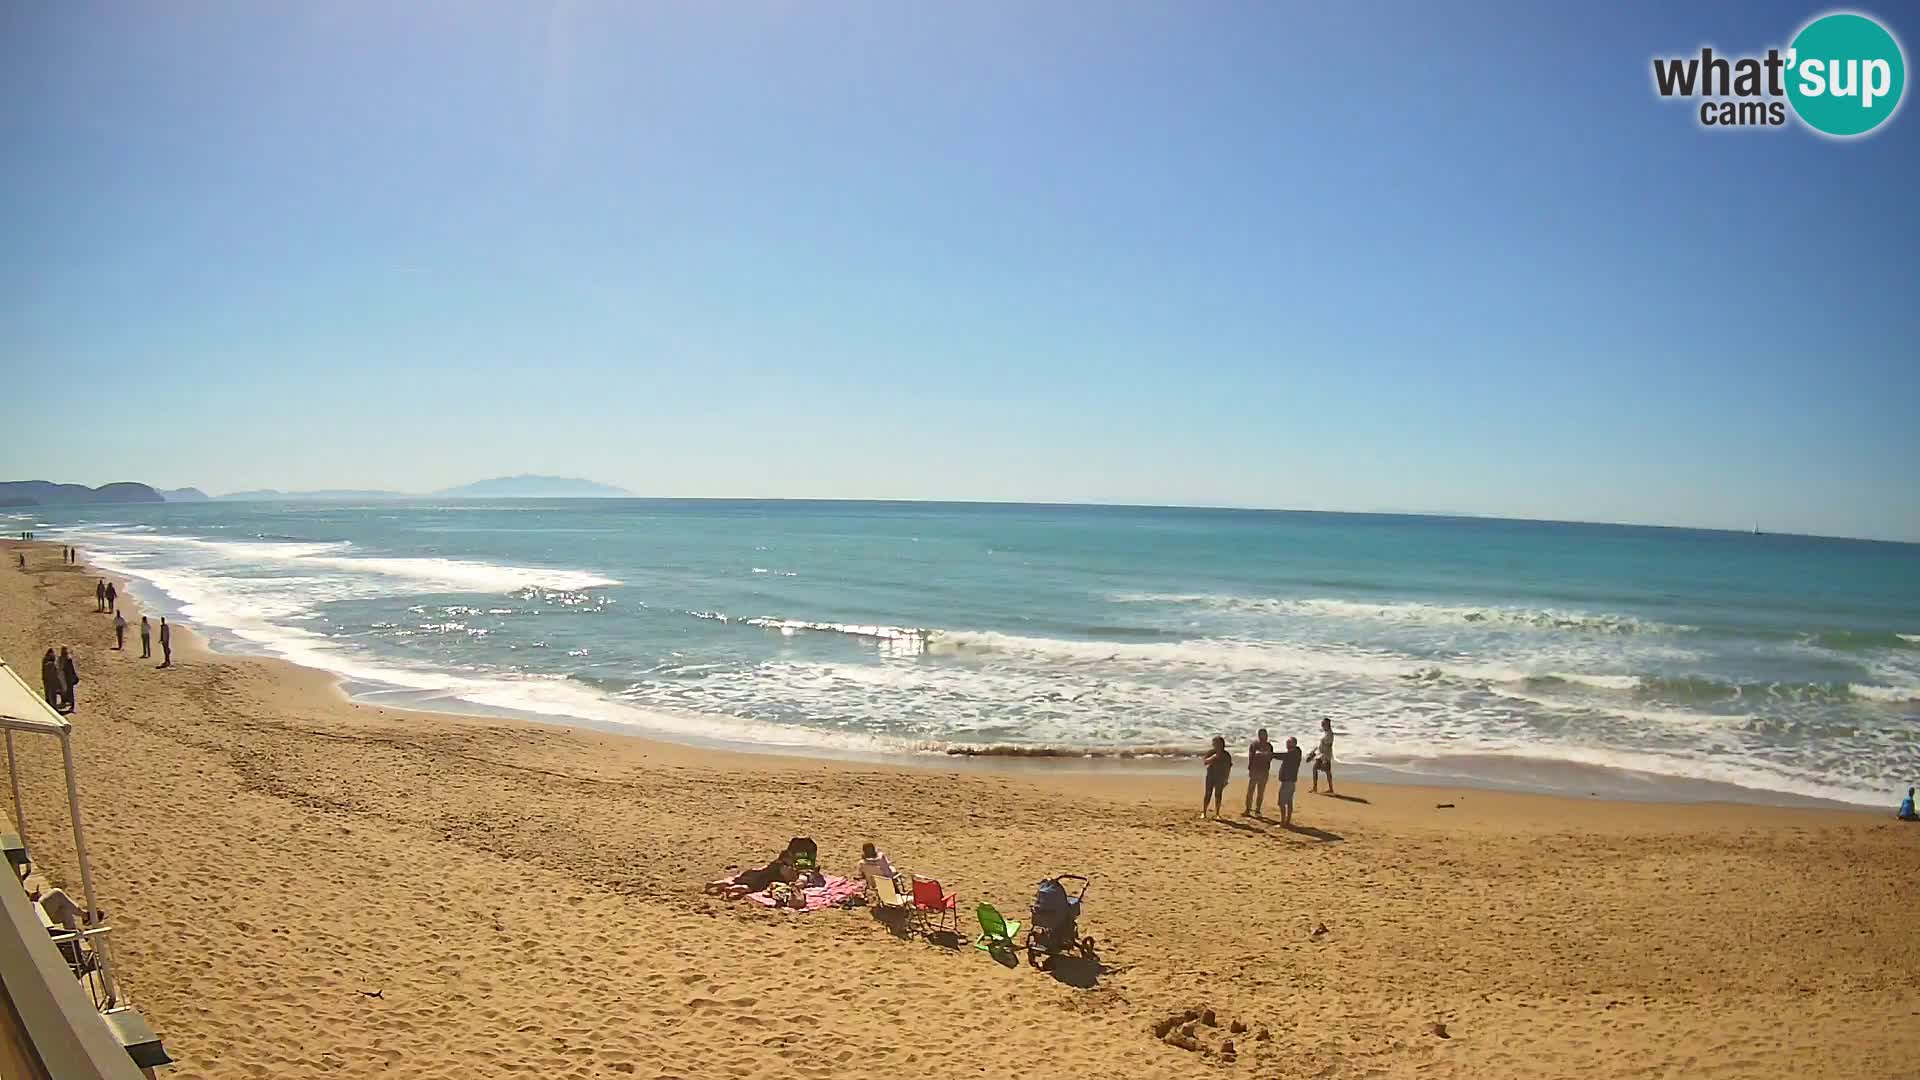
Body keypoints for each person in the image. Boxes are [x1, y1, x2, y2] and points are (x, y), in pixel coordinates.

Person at [704, 856, 796, 901]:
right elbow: (789, 878)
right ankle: (731, 890)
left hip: (753, 873)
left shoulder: (776, 863)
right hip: (762, 880)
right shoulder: (786, 869)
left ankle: (714, 884)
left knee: (733, 880)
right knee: (747, 887)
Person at [1244, 728, 1275, 817]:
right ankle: (1248, 809)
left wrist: (1263, 755)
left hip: (1264, 771)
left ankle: (1257, 809)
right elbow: (1251, 757)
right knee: (1250, 791)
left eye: (1265, 735)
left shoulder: (1269, 746)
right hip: (1255, 770)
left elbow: (1270, 758)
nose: (1264, 737)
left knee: (1260, 792)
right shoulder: (1254, 745)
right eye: (1262, 735)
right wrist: (1250, 769)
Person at [1202, 735, 1232, 820]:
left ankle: (1217, 813)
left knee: (1218, 795)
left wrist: (1226, 779)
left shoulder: (1226, 755)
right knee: (1208, 794)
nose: (1214, 745)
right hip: (1210, 775)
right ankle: (1204, 812)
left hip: (1220, 777)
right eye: (1214, 743)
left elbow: (1228, 768)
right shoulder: (1211, 752)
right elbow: (1205, 762)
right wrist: (1214, 757)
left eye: (1216, 743)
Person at [1276, 736, 1303, 827]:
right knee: (1288, 802)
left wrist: (1269, 754)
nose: (1287, 745)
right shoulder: (1295, 753)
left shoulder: (1293, 754)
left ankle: (1283, 822)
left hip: (1287, 782)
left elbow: (1281, 756)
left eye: (1289, 744)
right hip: (1290, 782)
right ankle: (1287, 821)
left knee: (1282, 802)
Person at [1309, 717, 1336, 794]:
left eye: (1323, 724)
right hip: (1321, 755)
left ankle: (1328, 788)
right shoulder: (1326, 733)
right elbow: (1320, 745)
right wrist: (1313, 752)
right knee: (1319, 770)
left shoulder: (1330, 734)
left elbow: (1328, 747)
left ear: (1328, 725)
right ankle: (1316, 788)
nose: (1322, 725)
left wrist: (1325, 759)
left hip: (1325, 756)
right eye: (1322, 724)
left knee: (1326, 771)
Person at [58, 648, 79, 713]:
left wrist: (73, 677)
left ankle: (72, 706)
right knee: (62, 690)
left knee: (70, 692)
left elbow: (71, 669)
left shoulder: (68, 660)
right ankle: (64, 701)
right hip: (62, 677)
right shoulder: (60, 659)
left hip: (68, 678)